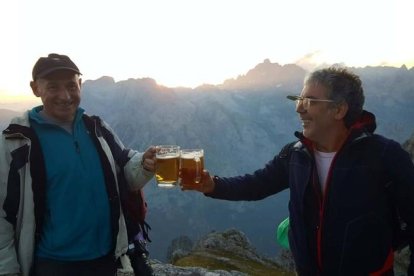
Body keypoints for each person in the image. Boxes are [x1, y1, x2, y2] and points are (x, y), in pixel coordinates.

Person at [185, 67, 414, 275]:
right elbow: (257, 184)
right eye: (299, 99)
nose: (298, 108)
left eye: (310, 101)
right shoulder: (296, 154)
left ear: (339, 109)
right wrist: (212, 185)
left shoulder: (384, 156)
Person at [0, 53, 156, 276]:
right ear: (36, 89)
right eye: (53, 87)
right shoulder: (16, 141)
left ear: (80, 85)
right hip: (53, 265)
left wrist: (146, 164)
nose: (65, 96)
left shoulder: (97, 129)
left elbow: (125, 176)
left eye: (71, 86)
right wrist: (7, 270)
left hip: (106, 260)